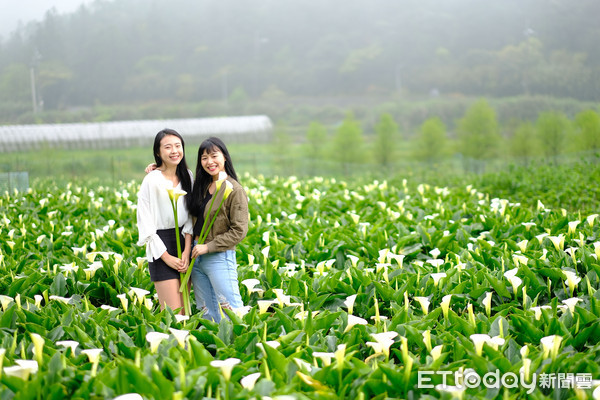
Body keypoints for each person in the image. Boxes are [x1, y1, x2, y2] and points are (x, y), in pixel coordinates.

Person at [189, 137, 249, 322]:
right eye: (204, 158)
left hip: (218, 257)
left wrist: (208, 247)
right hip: (196, 256)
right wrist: (156, 167)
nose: (209, 162)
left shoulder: (234, 189)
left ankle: (240, 348)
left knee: (231, 310)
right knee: (207, 313)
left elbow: (239, 230)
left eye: (214, 156)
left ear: (224, 157)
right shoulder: (201, 186)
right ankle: (215, 350)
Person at [136, 128, 193, 314]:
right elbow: (146, 224)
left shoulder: (188, 177)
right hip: (160, 247)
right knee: (173, 314)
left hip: (185, 242)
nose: (174, 151)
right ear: (158, 153)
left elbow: (193, 216)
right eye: (168, 147)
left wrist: (186, 251)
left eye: (178, 146)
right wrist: (166, 257)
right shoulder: (151, 180)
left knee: (185, 311)